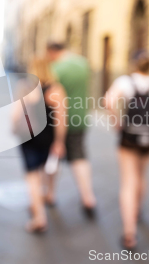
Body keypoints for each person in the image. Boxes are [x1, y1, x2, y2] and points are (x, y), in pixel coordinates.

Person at [105, 50, 149, 250]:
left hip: (129, 137)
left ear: (134, 64)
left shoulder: (125, 82)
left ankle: (129, 233)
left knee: (128, 182)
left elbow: (108, 102)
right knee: (142, 176)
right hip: (148, 139)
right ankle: (138, 210)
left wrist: (117, 123)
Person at [14, 58, 67, 233]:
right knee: (48, 168)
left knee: (32, 177)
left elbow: (15, 115)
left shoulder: (25, 87)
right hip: (48, 138)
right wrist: (59, 142)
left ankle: (39, 217)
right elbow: (61, 120)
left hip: (28, 138)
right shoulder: (56, 90)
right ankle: (48, 195)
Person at [46, 41, 97, 218]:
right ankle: (88, 197)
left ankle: (50, 193)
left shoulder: (54, 69)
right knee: (79, 157)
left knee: (53, 156)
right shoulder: (83, 64)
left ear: (52, 51)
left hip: (58, 120)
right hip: (80, 117)